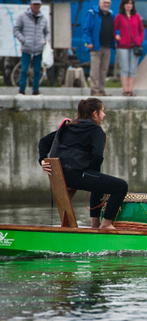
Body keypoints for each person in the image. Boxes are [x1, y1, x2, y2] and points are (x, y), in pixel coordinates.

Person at [38, 98, 128, 230]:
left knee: (97, 182)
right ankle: (106, 224)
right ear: (95, 113)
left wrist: (42, 160)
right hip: (75, 175)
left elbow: (43, 141)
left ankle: (95, 225)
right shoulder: (96, 130)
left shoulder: (68, 126)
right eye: (103, 111)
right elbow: (97, 156)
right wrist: (91, 173)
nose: (104, 115)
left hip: (60, 175)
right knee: (121, 186)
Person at [13, 0, 49, 96]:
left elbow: (47, 32)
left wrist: (45, 40)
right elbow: (16, 29)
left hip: (38, 48)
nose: (36, 6)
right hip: (26, 48)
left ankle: (35, 90)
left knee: (37, 70)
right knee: (24, 69)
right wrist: (23, 40)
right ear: (30, 5)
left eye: (38, 4)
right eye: (35, 4)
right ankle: (21, 90)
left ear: (40, 5)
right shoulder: (22, 16)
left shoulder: (43, 19)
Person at [82, 0, 114, 97]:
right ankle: (94, 90)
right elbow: (86, 29)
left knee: (104, 69)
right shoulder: (92, 13)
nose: (106, 5)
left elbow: (115, 27)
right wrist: (89, 42)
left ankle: (102, 90)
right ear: (100, 3)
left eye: (108, 3)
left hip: (107, 45)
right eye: (104, 2)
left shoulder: (111, 14)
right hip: (96, 46)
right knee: (95, 69)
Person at [113, 0, 144, 97]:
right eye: (127, 3)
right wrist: (117, 37)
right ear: (123, 5)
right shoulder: (119, 17)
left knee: (133, 68)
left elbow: (141, 30)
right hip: (123, 46)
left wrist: (139, 40)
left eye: (131, 3)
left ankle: (130, 90)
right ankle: (125, 90)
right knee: (125, 68)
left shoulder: (137, 16)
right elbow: (114, 29)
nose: (129, 5)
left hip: (135, 46)